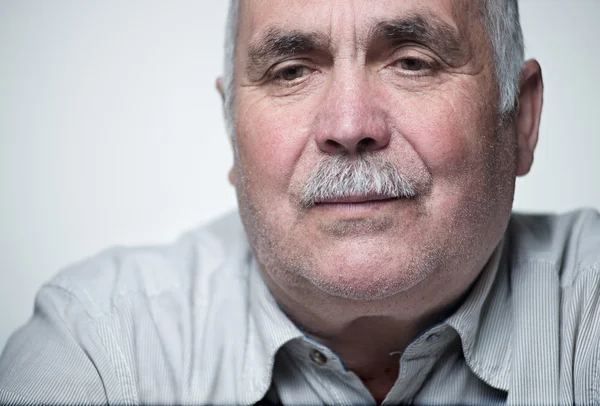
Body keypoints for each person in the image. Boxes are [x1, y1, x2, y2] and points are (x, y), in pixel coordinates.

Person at [1, 0, 599, 404]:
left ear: (520, 119)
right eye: (291, 71)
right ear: (231, 128)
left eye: (413, 62)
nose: (348, 124)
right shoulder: (101, 349)